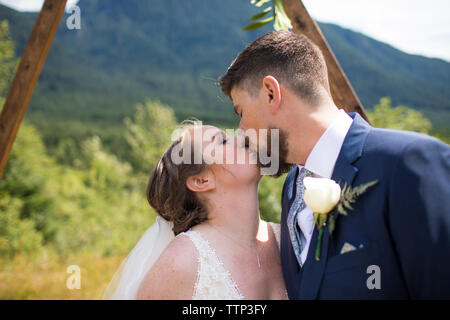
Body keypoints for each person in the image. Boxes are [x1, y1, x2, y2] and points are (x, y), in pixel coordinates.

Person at [218, 30, 450, 299]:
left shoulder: (409, 163)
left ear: (271, 93)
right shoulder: (292, 189)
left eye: (241, 112)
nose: (242, 130)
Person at [103, 122, 287, 300]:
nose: (241, 136)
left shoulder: (286, 238)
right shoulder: (180, 263)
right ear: (201, 181)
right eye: (222, 141)